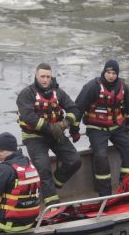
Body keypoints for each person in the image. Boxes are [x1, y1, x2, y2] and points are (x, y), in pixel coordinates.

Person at [16, 63, 82, 206]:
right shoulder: (26, 94)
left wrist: (64, 124)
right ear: (36, 76)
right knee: (44, 168)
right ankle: (52, 206)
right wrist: (51, 127)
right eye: (42, 76)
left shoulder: (58, 93)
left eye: (48, 76)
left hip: (56, 133)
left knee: (75, 160)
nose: (45, 80)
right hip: (34, 137)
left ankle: (54, 184)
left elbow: (74, 109)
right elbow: (29, 118)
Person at [75, 59, 129, 197]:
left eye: (114, 73)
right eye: (108, 72)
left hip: (117, 128)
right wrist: (74, 131)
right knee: (101, 157)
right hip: (96, 128)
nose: (111, 75)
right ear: (104, 72)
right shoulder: (92, 87)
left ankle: (124, 187)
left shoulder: (123, 87)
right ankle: (105, 195)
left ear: (117, 74)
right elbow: (78, 108)